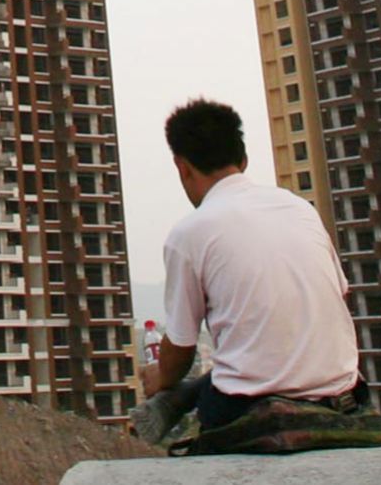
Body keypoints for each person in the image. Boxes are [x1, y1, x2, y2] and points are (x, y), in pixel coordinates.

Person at [131, 99, 363, 444]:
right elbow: (340, 294)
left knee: (225, 386)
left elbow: (181, 350)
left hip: (247, 406)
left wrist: (160, 378)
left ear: (182, 168)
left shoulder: (190, 233)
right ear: (243, 159)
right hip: (345, 393)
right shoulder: (300, 209)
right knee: (233, 370)